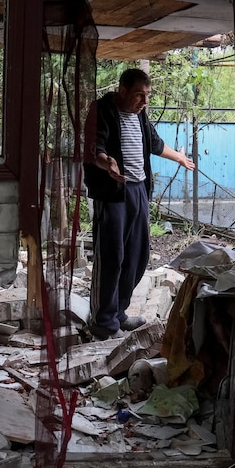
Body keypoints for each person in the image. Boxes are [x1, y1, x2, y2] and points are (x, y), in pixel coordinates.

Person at [83, 68, 195, 340]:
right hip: (112, 192)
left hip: (138, 191)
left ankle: (119, 313)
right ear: (122, 91)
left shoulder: (140, 114)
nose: (144, 101)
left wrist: (179, 158)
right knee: (111, 256)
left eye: (146, 96)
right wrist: (106, 162)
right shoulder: (102, 110)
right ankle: (103, 323)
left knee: (137, 255)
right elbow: (91, 147)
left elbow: (155, 144)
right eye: (139, 95)